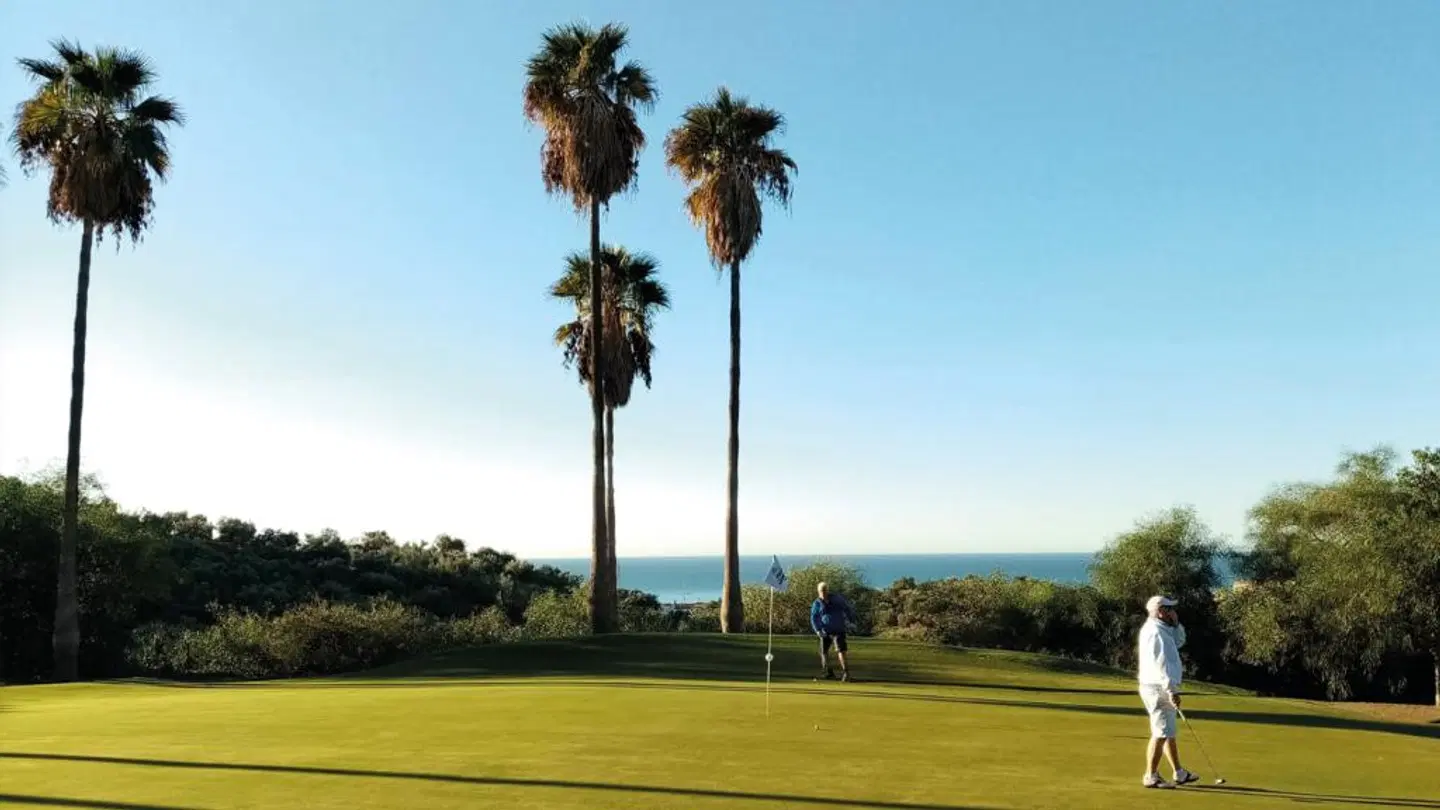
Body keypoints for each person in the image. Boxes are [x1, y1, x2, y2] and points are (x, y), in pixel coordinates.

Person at [1137, 594, 1199, 789]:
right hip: (1158, 687)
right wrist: (1171, 690)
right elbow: (1162, 663)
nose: (1173, 611)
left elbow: (1180, 640)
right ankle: (1150, 775)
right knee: (1161, 732)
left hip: (1156, 685)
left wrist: (1176, 623)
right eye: (1169, 608)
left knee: (1167, 731)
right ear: (1160, 611)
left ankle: (1179, 772)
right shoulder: (1156, 632)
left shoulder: (1162, 628)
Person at [810, 581, 857, 681]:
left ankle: (846, 673)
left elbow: (847, 608)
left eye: (824, 591)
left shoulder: (836, 599)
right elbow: (814, 618)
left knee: (841, 651)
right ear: (818, 592)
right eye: (821, 591)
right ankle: (828, 672)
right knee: (823, 652)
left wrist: (851, 620)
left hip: (838, 629)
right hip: (825, 631)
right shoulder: (817, 603)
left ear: (827, 590)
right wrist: (818, 630)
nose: (823, 593)